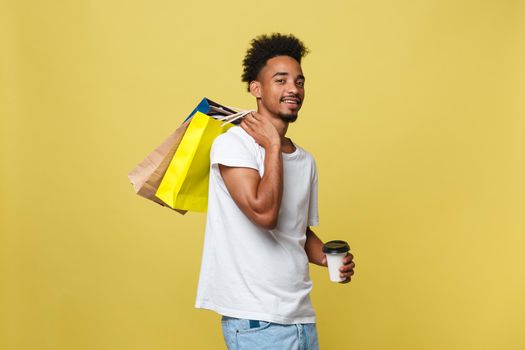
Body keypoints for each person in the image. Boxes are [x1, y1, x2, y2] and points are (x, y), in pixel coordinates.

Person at [195, 33, 355, 349]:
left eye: (299, 81)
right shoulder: (232, 145)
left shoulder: (305, 160)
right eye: (280, 80)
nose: (293, 89)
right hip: (257, 321)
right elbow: (264, 214)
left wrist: (325, 257)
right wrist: (271, 144)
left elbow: (294, 229)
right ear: (256, 88)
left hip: (301, 318)